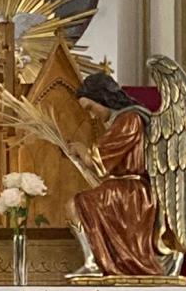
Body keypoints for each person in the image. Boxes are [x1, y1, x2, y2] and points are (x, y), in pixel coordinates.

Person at [67, 73, 163, 277]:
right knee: (76, 205)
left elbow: (99, 159)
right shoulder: (124, 119)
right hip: (121, 190)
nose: (92, 116)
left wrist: (82, 149)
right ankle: (94, 261)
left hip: (130, 194)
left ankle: (93, 262)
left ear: (103, 98)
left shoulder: (129, 119)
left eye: (91, 108)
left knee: (75, 205)